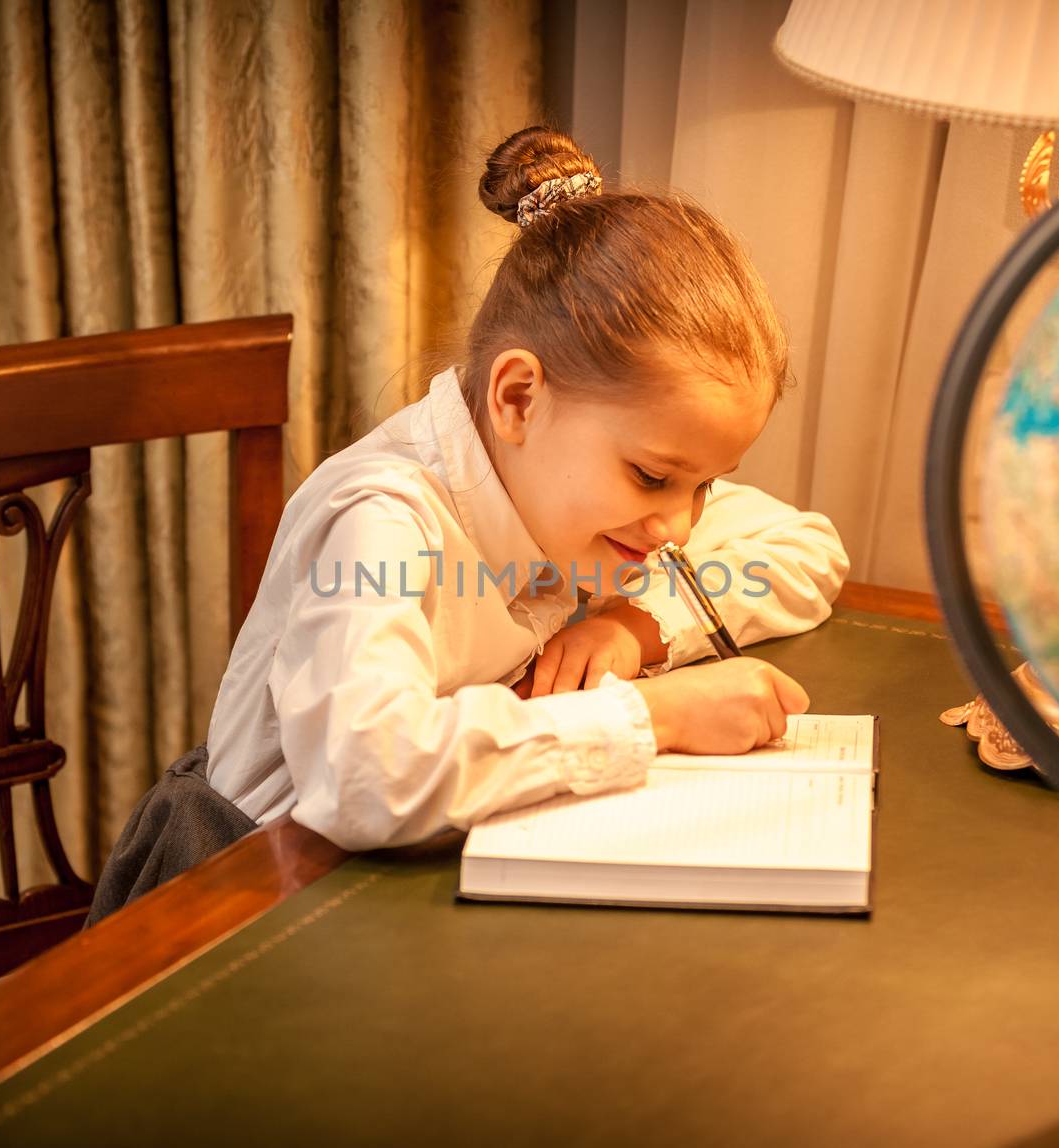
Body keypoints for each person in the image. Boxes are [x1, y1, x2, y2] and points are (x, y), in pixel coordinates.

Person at [206, 126, 849, 852]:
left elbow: (809, 549)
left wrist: (637, 628)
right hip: (244, 891)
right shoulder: (381, 519)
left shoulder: (595, 497)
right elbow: (364, 779)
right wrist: (653, 714)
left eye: (704, 487)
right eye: (653, 477)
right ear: (518, 398)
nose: (678, 526)